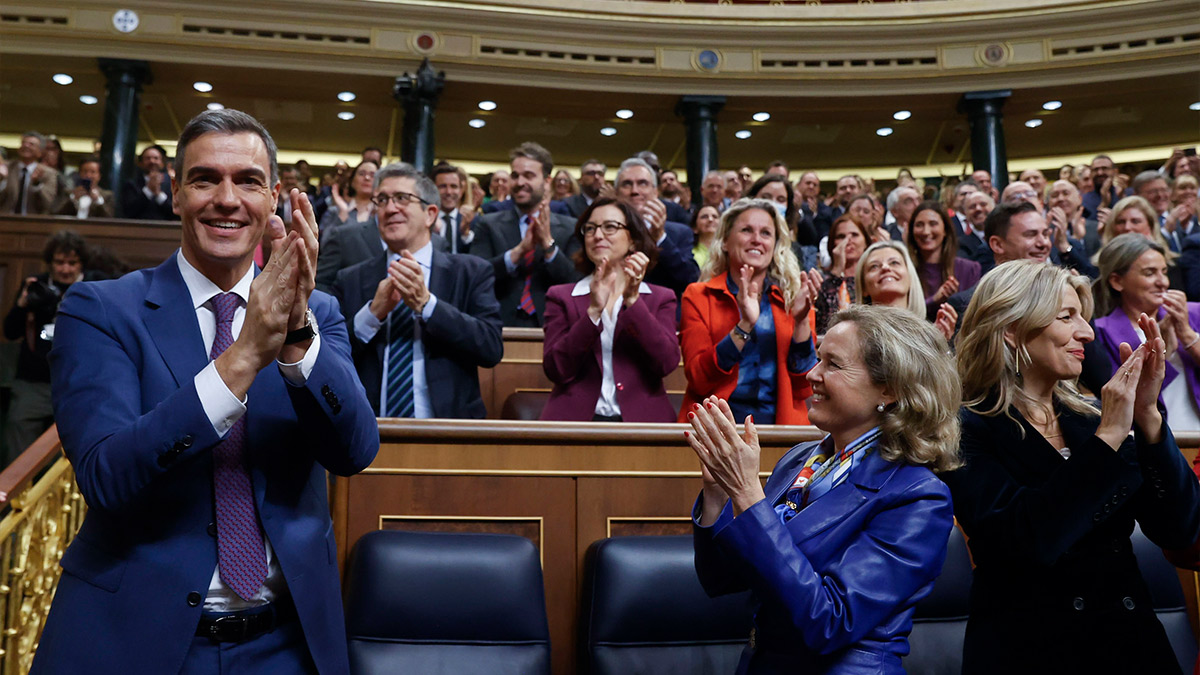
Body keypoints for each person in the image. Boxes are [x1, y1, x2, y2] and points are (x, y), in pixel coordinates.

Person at [32, 109, 379, 674]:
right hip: (135, 637)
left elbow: (355, 451)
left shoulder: (317, 312)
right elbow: (106, 476)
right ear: (175, 195)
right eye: (204, 179)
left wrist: (293, 335)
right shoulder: (101, 310)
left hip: (285, 643)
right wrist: (241, 357)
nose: (227, 198)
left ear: (272, 200)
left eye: (247, 181)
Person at [946, 259, 1200, 675]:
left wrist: (1149, 417)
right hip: (1029, 652)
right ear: (1012, 328)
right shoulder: (963, 428)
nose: (1086, 331)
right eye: (1068, 316)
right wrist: (1109, 438)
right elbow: (1028, 540)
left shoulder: (1092, 419)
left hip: (1131, 647)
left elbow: (1180, 529)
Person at [688, 303, 961, 674]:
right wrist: (719, 493)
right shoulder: (800, 461)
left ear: (889, 389)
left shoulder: (919, 496)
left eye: (833, 364)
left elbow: (831, 621)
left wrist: (749, 494)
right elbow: (722, 580)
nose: (812, 374)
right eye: (818, 359)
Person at [333, 163, 502, 418]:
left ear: (430, 214)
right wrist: (371, 314)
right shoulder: (351, 278)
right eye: (382, 200)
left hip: (449, 432)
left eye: (402, 198)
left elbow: (490, 348)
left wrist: (428, 305)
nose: (390, 209)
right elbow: (331, 355)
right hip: (368, 432)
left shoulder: (471, 272)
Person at [679, 199, 817, 426]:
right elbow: (699, 381)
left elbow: (804, 387)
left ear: (775, 246)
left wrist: (801, 321)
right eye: (746, 230)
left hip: (782, 429)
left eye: (766, 233)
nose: (757, 239)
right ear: (724, 241)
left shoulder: (794, 298)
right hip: (715, 429)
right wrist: (744, 325)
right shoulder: (698, 296)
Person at [540, 197, 679, 422]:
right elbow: (556, 369)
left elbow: (666, 362)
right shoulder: (561, 296)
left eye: (610, 227)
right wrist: (593, 312)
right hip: (573, 423)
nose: (597, 235)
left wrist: (633, 301)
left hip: (644, 424)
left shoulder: (661, 298)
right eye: (590, 229)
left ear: (633, 240)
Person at [2, 230, 91, 465]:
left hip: (78, 383)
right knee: (19, 435)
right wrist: (22, 305)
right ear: (50, 263)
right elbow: (10, 332)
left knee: (83, 443)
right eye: (59, 262)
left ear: (81, 264)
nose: (65, 269)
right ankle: (16, 498)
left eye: (72, 263)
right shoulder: (36, 286)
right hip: (33, 382)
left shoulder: (94, 286)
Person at [1093, 234, 1200, 429]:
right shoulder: (1101, 332)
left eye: (1164, 272)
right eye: (1150, 273)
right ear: (1117, 281)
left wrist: (1188, 336)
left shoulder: (1194, 314)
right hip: (1153, 442)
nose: (1163, 282)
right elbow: (1120, 401)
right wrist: (1162, 356)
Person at [471, 142, 581, 327]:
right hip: (497, 325)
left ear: (547, 181)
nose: (520, 182)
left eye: (528, 176)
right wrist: (518, 252)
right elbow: (475, 275)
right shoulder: (488, 224)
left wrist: (548, 245)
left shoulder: (571, 227)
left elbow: (576, 282)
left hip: (553, 326)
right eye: (515, 176)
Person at [855, 241, 956, 341]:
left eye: (894, 263)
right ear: (863, 287)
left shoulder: (928, 336)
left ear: (911, 278)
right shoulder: (856, 335)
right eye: (874, 266)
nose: (885, 267)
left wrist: (938, 345)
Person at [906, 200, 982, 318]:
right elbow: (904, 313)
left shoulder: (969, 269)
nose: (926, 232)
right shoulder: (905, 270)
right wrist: (934, 300)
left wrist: (956, 299)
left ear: (945, 230)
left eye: (933, 224)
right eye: (919, 225)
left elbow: (975, 314)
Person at [815, 215, 870, 334]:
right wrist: (837, 271)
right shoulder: (821, 280)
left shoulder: (872, 278)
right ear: (832, 244)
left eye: (854, 235)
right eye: (841, 236)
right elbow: (824, 320)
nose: (848, 240)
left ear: (865, 241)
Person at [0, 131, 63, 215]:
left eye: (31, 144)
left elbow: (48, 204)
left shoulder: (48, 173)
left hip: (34, 222)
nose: (26, 146)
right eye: (23, 143)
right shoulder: (6, 168)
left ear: (40, 152)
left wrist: (37, 184)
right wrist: (2, 180)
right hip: (5, 219)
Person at [120, 144, 176, 220]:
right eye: (148, 158)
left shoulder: (173, 184)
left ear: (162, 163)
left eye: (156, 158)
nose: (152, 161)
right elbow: (129, 212)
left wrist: (159, 195)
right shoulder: (131, 185)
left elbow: (176, 212)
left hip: (167, 229)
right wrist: (148, 190)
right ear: (141, 163)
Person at [319, 159, 377, 232]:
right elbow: (325, 240)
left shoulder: (382, 211)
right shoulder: (335, 211)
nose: (367, 178)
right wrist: (343, 215)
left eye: (372, 175)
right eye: (362, 174)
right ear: (352, 181)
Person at [690, 204, 720, 269]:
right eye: (704, 217)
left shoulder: (728, 251)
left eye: (715, 216)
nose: (710, 219)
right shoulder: (689, 253)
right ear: (695, 228)